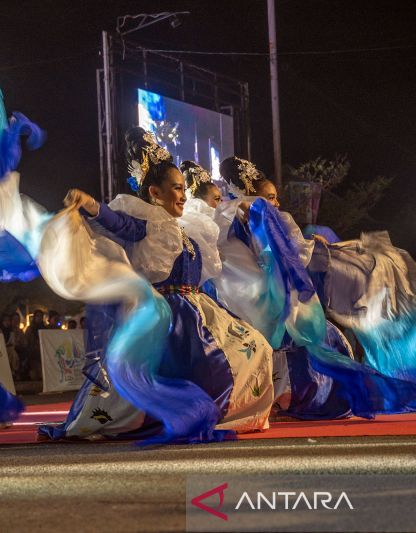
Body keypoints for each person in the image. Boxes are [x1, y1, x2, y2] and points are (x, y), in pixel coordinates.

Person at [38, 128, 275, 443]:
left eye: (183, 189)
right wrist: (92, 205)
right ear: (154, 193)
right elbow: (120, 223)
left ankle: (217, 412)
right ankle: (186, 414)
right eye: (176, 189)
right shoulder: (148, 224)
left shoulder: (181, 229)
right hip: (169, 318)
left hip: (198, 311)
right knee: (201, 368)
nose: (183, 195)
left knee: (255, 347)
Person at [213, 155, 416, 418]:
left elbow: (279, 253)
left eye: (275, 197)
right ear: (252, 193)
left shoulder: (234, 216)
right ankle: (303, 397)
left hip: (269, 291)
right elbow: (290, 253)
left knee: (330, 327)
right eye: (271, 196)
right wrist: (315, 247)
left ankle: (293, 396)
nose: (276, 202)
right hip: (279, 289)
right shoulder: (262, 215)